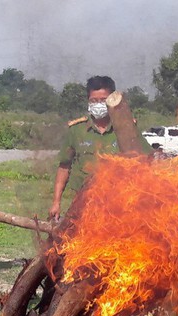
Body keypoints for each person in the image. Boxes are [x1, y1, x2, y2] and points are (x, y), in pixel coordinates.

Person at [49, 75, 152, 220]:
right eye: (93, 100)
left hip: (119, 206)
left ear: (111, 101)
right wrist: (56, 202)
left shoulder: (126, 129)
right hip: (83, 205)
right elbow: (64, 167)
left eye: (103, 100)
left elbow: (146, 162)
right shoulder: (77, 130)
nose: (98, 104)